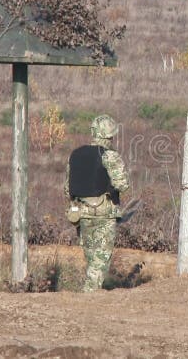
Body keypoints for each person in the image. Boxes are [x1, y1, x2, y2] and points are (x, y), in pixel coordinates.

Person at [64, 114, 130, 292]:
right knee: (101, 261)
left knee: (92, 258)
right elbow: (123, 184)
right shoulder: (110, 156)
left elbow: (67, 188)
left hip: (81, 214)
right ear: (110, 135)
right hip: (104, 214)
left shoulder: (75, 155)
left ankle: (90, 293)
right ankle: (89, 296)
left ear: (93, 132)